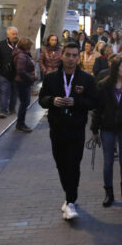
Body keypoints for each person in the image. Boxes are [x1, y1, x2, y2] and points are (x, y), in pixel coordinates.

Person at [39, 43, 98, 221]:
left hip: (77, 129)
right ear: (62, 56)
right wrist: (52, 100)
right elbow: (41, 99)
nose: (71, 58)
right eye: (68, 55)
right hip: (57, 128)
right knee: (61, 165)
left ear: (78, 58)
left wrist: (76, 102)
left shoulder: (87, 79)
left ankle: (70, 200)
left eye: (74, 55)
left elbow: (94, 102)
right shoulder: (51, 78)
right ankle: (69, 196)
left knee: (74, 165)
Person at [91, 57, 122, 206]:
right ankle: (109, 193)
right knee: (108, 162)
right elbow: (98, 109)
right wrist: (94, 130)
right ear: (116, 68)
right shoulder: (103, 85)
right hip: (107, 128)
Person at [0, 26, 19, 118]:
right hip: (4, 74)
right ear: (8, 34)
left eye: (16, 34)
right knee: (4, 92)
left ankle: (12, 109)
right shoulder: (2, 44)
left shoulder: (20, 45)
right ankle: (3, 111)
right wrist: (1, 68)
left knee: (14, 92)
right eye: (13, 34)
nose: (15, 35)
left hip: (16, 74)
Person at [12, 38, 36, 133]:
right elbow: (20, 70)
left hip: (23, 81)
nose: (31, 47)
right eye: (30, 45)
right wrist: (30, 78)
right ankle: (20, 124)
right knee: (24, 102)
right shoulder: (22, 56)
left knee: (25, 102)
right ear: (26, 46)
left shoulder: (23, 54)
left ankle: (21, 123)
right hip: (22, 82)